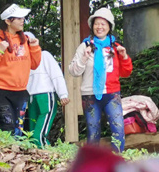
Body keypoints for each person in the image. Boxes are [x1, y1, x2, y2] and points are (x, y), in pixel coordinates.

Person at [68, 8, 132, 152]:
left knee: (118, 128)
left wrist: (124, 57)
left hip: (111, 94)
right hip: (90, 95)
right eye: (97, 24)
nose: (99, 27)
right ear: (92, 26)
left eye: (103, 24)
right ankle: (93, 165)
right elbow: (73, 71)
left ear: (109, 27)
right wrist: (84, 57)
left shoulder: (116, 47)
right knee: (93, 132)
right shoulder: (85, 46)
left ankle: (117, 160)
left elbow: (126, 72)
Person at [0, 4, 42, 136]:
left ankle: (14, 155)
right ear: (8, 21)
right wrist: (0, 51)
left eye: (23, 18)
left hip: (20, 91)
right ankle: (3, 155)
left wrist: (35, 47)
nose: (22, 21)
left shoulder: (25, 40)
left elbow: (34, 65)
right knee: (6, 126)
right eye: (18, 18)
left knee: (18, 129)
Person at [26, 48, 70, 147]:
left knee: (36, 132)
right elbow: (56, 75)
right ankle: (40, 153)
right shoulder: (30, 58)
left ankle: (41, 152)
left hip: (39, 95)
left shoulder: (40, 56)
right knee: (35, 133)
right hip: (38, 95)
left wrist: (62, 94)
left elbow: (56, 75)